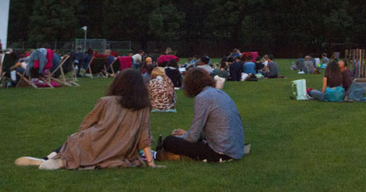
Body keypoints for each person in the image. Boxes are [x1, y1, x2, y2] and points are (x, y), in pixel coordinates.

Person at [15, 69, 156, 170]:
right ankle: (50, 160)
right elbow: (145, 137)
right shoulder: (143, 108)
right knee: (78, 141)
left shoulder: (107, 101)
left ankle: (51, 159)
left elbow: (86, 125)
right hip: (120, 150)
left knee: (74, 140)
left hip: (95, 143)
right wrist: (151, 163)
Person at [160, 68, 245, 162]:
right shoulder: (220, 93)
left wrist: (181, 137)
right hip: (236, 149)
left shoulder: (202, 98)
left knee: (169, 141)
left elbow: (193, 137)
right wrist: (186, 134)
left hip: (220, 152)